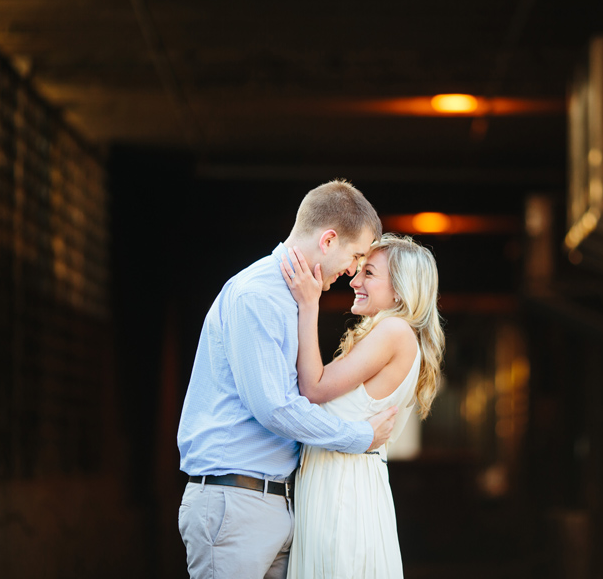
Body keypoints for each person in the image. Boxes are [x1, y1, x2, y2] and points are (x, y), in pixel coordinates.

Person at [176, 179, 400, 579]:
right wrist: (359, 436)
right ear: (329, 241)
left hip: (274, 503)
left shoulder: (293, 298)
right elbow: (275, 407)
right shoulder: (257, 295)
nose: (353, 272)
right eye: (356, 256)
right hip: (235, 504)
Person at [280, 233, 445, 578]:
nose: (354, 280)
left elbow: (314, 387)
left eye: (369, 273)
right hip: (346, 481)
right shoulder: (394, 334)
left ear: (400, 290)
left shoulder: (394, 331)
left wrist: (309, 305)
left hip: (344, 489)